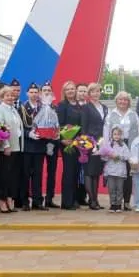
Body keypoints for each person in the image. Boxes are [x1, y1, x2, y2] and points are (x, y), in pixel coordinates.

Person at [0, 84, 25, 214]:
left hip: (17, 147)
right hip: (6, 148)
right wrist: (6, 145)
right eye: (7, 95)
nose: (10, 97)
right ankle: (1, 200)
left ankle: (10, 198)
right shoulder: (0, 110)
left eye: (12, 95)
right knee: (3, 175)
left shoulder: (13, 109)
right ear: (1, 97)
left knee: (12, 175)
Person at [105, 91, 139, 209]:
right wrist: (108, 149)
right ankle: (115, 202)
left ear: (129, 102)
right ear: (116, 101)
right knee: (116, 175)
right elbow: (106, 132)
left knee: (129, 175)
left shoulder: (133, 114)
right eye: (120, 99)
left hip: (130, 146)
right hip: (115, 146)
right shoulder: (111, 114)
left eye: (125, 99)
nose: (123, 101)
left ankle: (127, 201)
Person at [79, 83, 107, 210]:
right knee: (89, 172)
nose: (96, 94)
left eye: (98, 91)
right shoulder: (86, 107)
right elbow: (83, 127)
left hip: (101, 144)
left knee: (96, 172)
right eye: (93, 92)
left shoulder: (104, 107)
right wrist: (86, 144)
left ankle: (95, 200)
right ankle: (92, 200)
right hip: (90, 143)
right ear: (89, 94)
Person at [55, 82, 82, 211]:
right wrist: (63, 139)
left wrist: (80, 139)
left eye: (72, 89)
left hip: (78, 143)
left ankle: (74, 199)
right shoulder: (61, 106)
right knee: (69, 172)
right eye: (68, 89)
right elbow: (59, 125)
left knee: (76, 171)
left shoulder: (78, 105)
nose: (71, 91)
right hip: (67, 143)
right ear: (64, 92)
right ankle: (67, 202)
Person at [101, 127, 130, 212]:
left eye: (118, 134)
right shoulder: (108, 145)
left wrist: (118, 157)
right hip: (110, 172)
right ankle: (112, 204)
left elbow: (128, 156)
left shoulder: (124, 145)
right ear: (111, 135)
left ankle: (118, 205)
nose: (116, 136)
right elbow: (103, 157)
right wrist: (108, 156)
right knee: (111, 189)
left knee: (119, 189)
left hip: (120, 172)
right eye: (115, 134)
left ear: (121, 135)